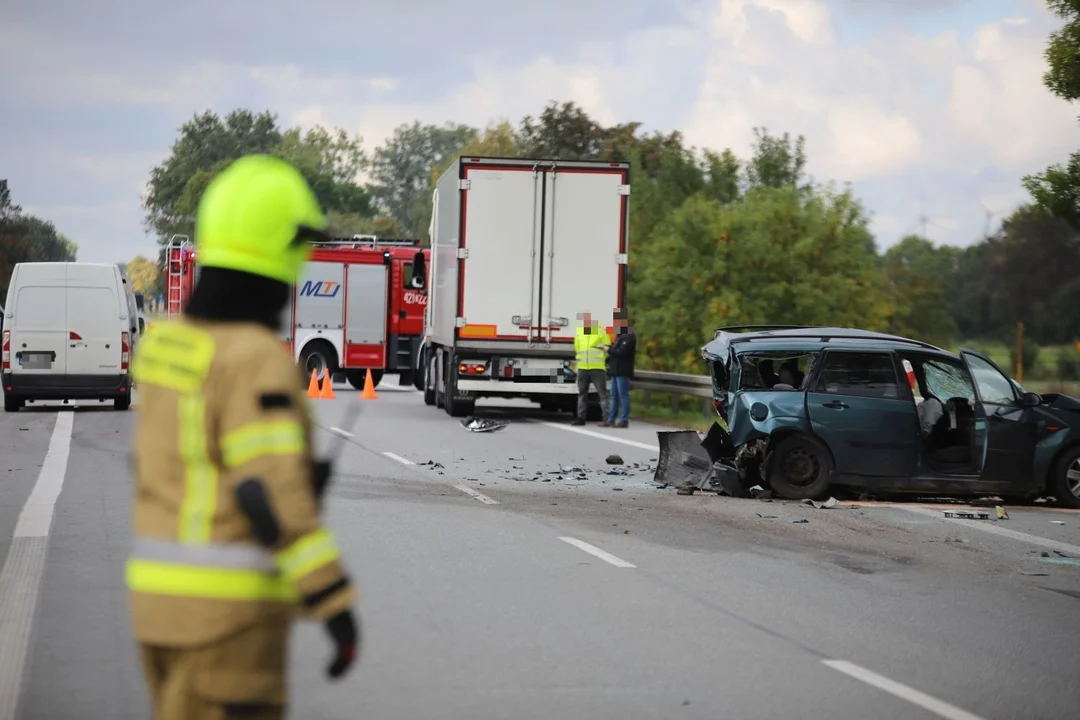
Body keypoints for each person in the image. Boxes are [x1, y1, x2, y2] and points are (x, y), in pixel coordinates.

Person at [127, 154, 360, 720]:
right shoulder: (253, 357)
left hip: (156, 610)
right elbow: (270, 495)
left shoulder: (169, 345)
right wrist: (332, 601)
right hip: (228, 622)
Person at [572, 311, 610, 426]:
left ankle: (606, 418)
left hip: (597, 368)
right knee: (582, 394)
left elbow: (607, 348)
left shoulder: (601, 332)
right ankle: (580, 418)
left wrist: (601, 359)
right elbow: (577, 349)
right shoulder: (580, 333)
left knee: (602, 394)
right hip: (583, 368)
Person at [605, 308, 636, 428]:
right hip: (615, 370)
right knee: (613, 395)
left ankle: (624, 419)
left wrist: (609, 350)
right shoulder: (619, 335)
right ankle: (611, 419)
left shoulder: (629, 336)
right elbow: (615, 351)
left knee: (623, 395)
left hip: (623, 370)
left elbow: (622, 352)